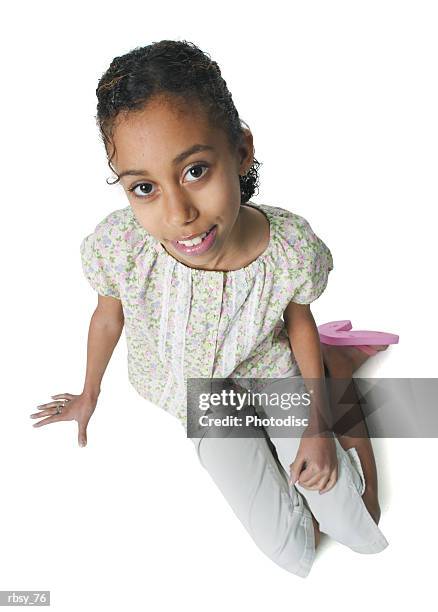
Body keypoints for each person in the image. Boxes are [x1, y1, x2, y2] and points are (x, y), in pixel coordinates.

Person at [30, 39, 393, 578]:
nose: (179, 214)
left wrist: (318, 428)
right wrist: (89, 393)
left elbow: (298, 320)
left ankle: (338, 391)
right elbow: (108, 316)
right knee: (293, 553)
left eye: (196, 170)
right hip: (204, 398)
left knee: (357, 527)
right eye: (145, 187)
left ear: (240, 150)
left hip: (273, 376)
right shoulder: (120, 247)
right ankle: (280, 448)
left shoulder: (289, 249)